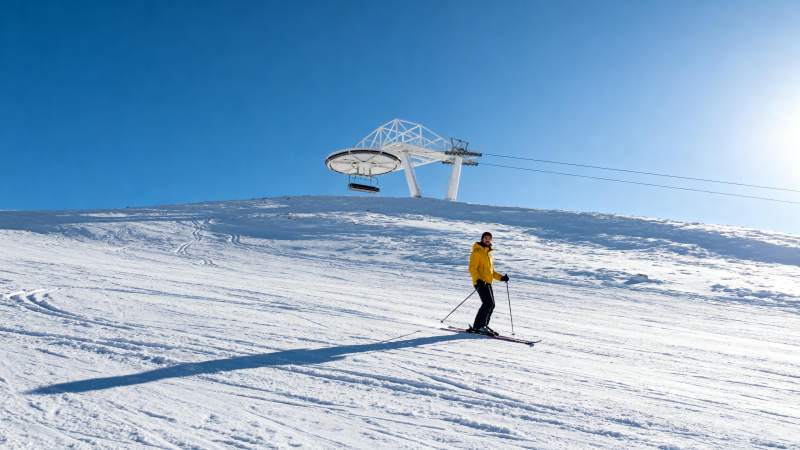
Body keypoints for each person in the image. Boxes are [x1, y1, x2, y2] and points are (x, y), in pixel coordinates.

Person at [468, 231, 509, 336]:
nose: (487, 240)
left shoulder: (489, 254)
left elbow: (492, 272)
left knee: (491, 304)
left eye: (489, 238)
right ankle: (479, 326)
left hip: (488, 282)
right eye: (485, 238)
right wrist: (478, 280)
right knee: (487, 303)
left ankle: (483, 325)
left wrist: (502, 278)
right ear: (482, 239)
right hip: (480, 282)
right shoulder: (477, 251)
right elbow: (472, 268)